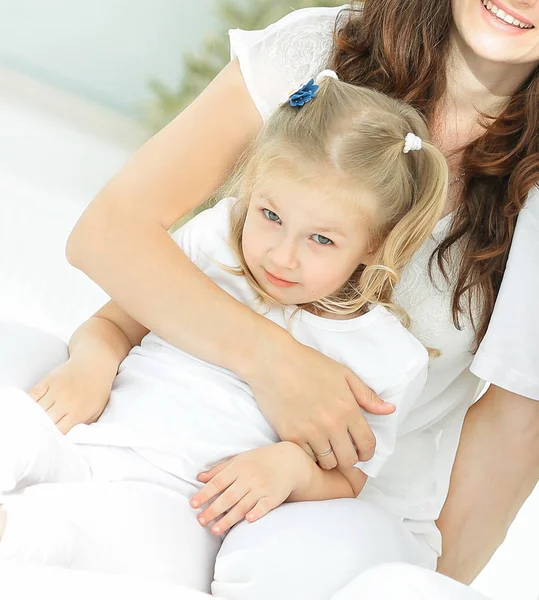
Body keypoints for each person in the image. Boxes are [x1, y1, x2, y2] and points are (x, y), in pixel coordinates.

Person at [2, 0, 537, 598]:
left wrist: (430, 583)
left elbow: (511, 431)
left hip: (259, 505)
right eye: (271, 217)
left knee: (100, 538)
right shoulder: (233, 227)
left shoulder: (384, 354)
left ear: (377, 245)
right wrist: (271, 363)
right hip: (121, 428)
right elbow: (111, 256)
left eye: (321, 239)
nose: (283, 256)